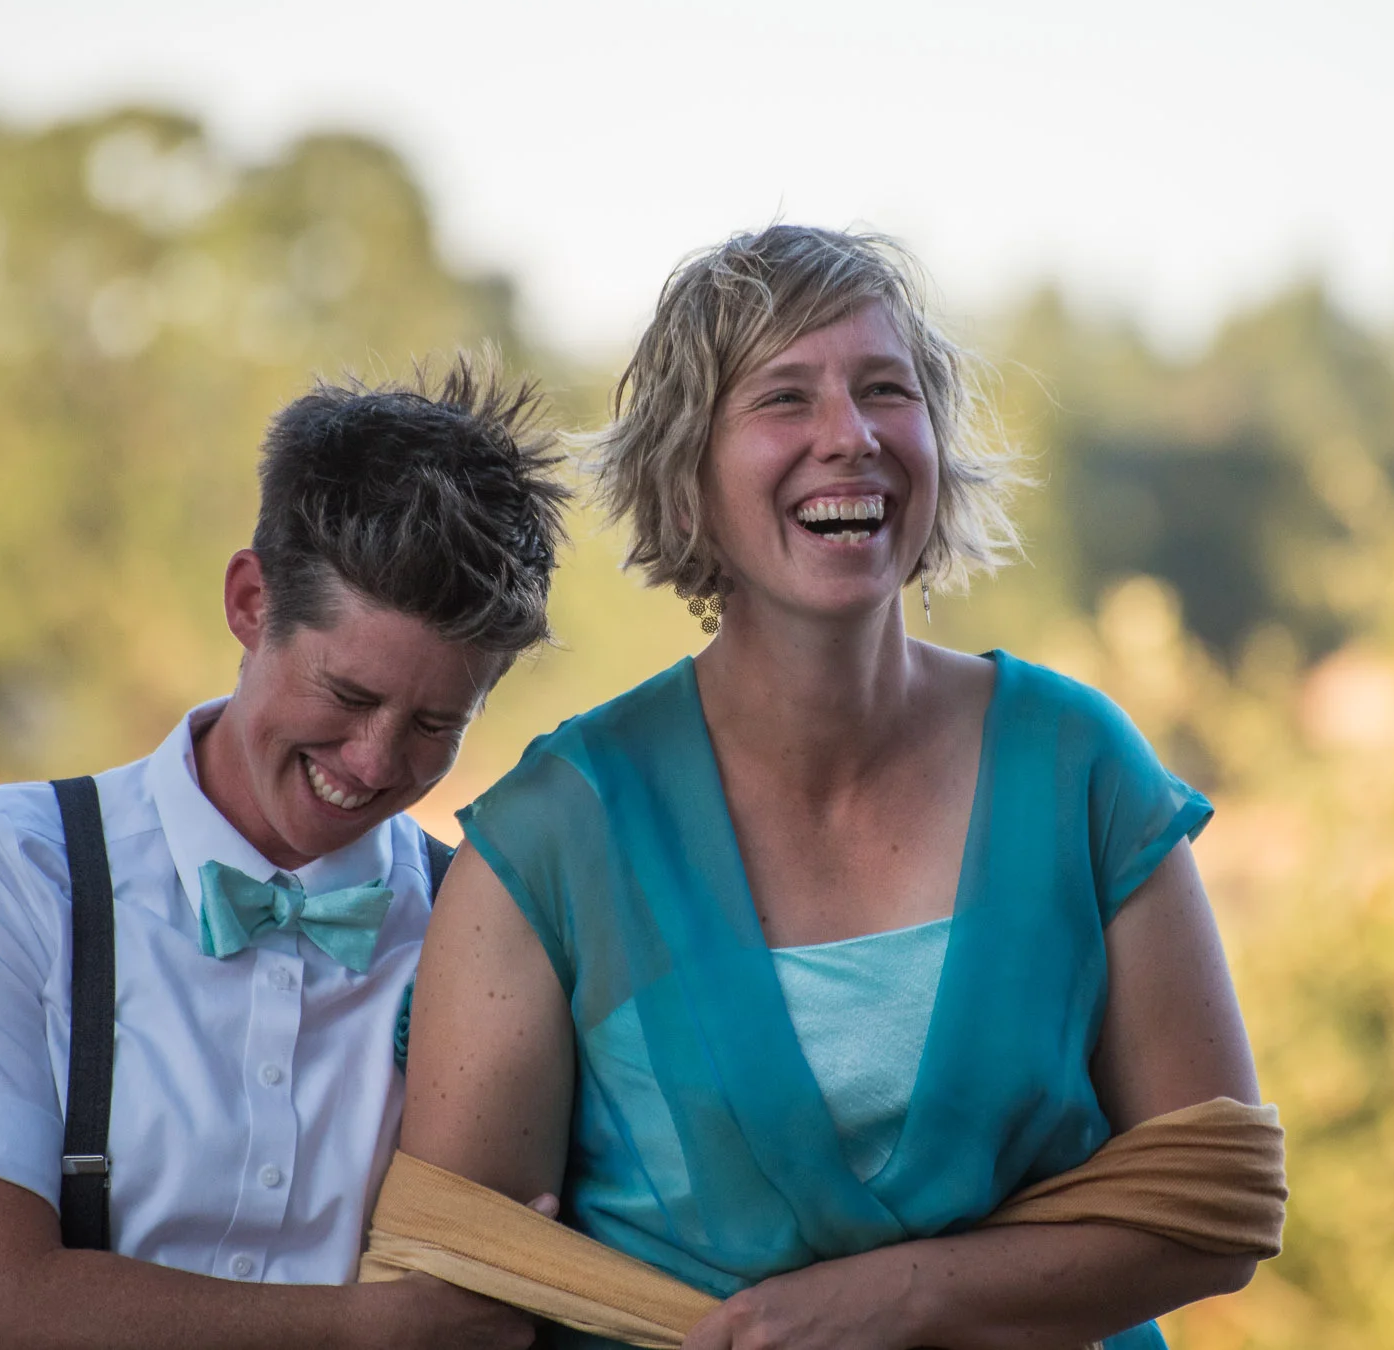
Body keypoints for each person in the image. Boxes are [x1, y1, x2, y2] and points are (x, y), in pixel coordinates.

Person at [397, 227, 1268, 1350]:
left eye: (886, 390)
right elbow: (453, 1292)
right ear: (685, 478)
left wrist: (907, 1295)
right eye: (783, 398)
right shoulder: (551, 837)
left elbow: (1222, 1212)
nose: (850, 435)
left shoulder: (1077, 765)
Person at [0, 365, 569, 1350]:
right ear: (249, 601)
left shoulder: (479, 928)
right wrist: (363, 1330)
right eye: (349, 695)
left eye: (434, 723)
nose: (374, 762)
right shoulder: (9, 868)